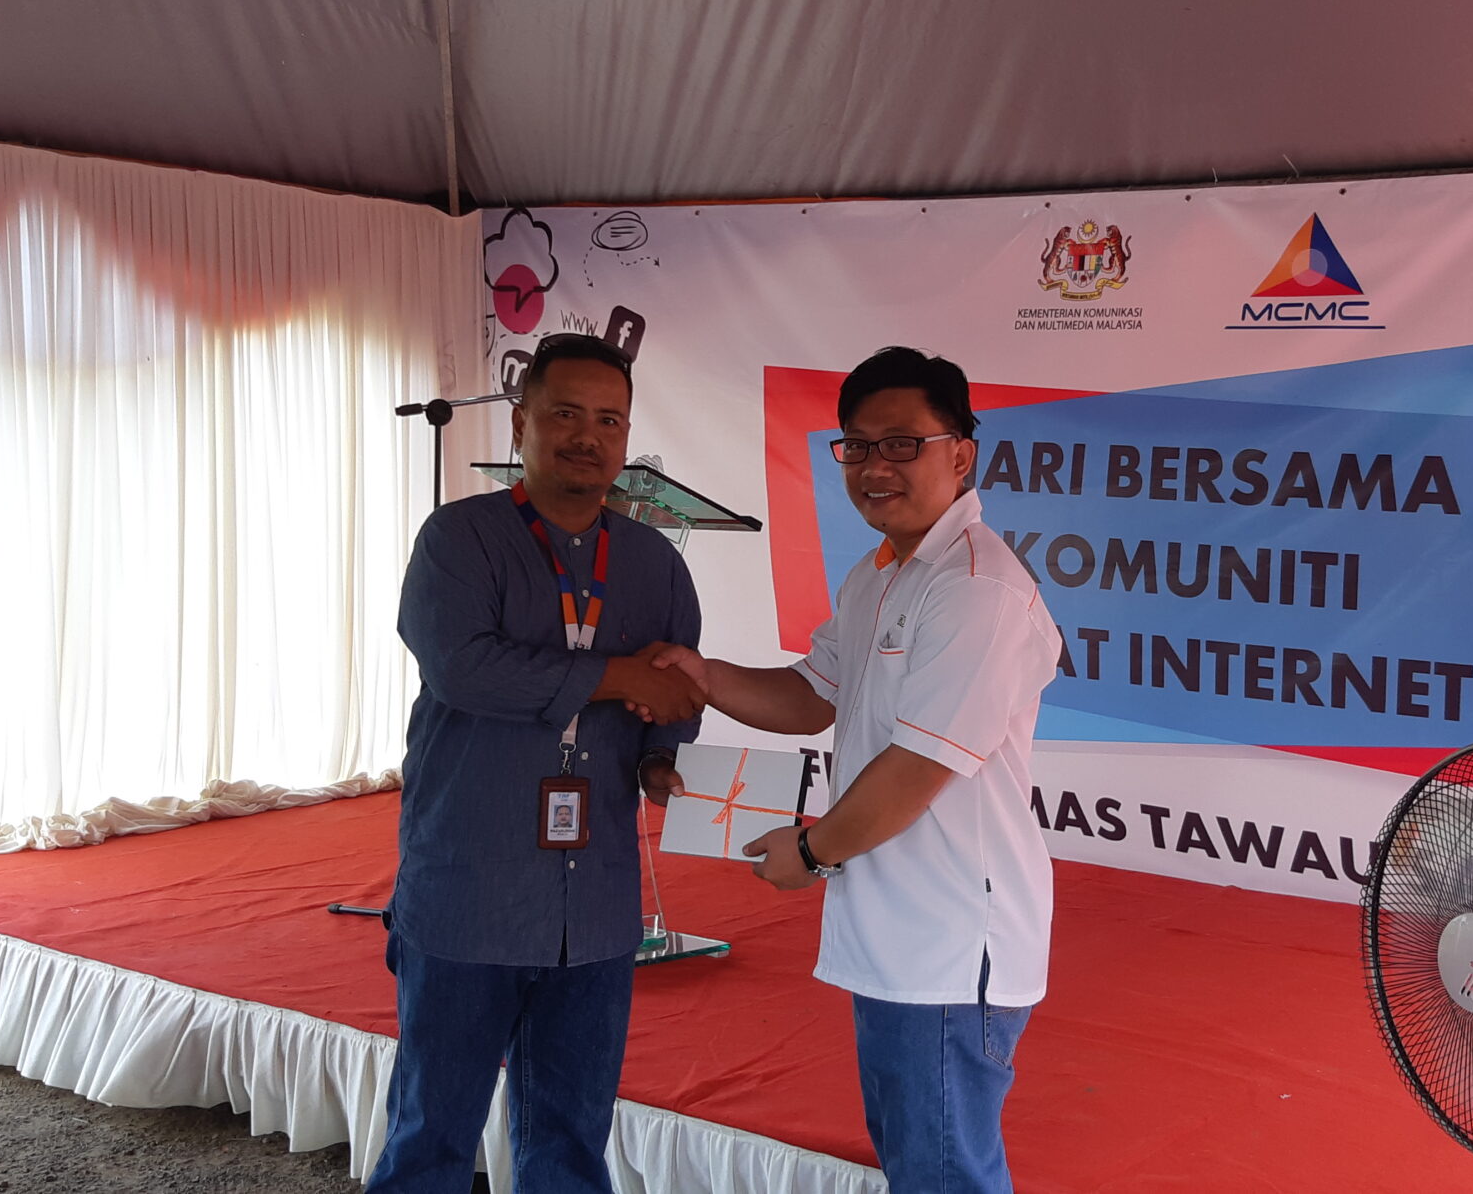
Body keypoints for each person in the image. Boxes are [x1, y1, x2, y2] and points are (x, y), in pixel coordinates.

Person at [651, 347, 1060, 1194]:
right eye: (858, 446)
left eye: (903, 443)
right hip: (897, 932)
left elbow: (919, 767)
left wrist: (811, 852)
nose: (876, 466)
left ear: (961, 453)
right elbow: (813, 695)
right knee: (918, 1163)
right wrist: (704, 676)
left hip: (951, 941)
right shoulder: (880, 575)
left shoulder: (974, 589)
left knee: (943, 1173)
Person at [375, 332, 708, 1193]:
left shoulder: (653, 562)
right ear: (521, 423)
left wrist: (661, 760)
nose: (587, 436)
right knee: (431, 1135)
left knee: (569, 1141)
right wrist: (615, 677)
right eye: (565, 414)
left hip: (594, 905)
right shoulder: (459, 539)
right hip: (469, 890)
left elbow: (676, 684)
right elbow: (463, 669)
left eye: (609, 420)